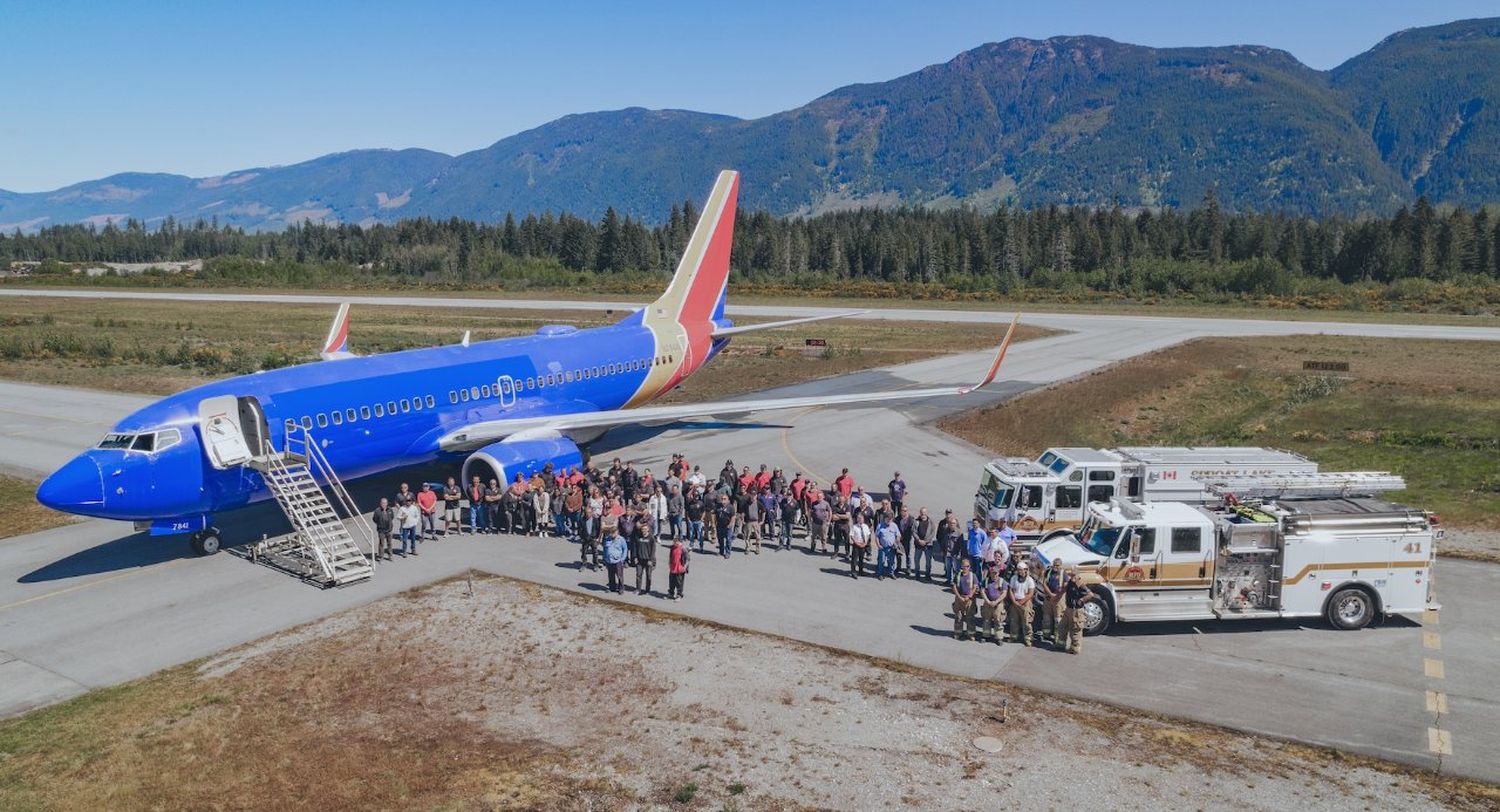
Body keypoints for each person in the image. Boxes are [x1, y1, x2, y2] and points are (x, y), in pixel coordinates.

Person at [1060, 569, 1096, 654]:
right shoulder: (1069, 583)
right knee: (1062, 626)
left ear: (1078, 576)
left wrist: (1081, 600)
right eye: (1071, 575)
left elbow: (1090, 594)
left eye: (1074, 575)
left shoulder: (1080, 585)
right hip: (1068, 609)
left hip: (1076, 611)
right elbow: (1063, 589)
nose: (1072, 577)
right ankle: (1061, 644)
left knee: (1075, 629)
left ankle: (1075, 648)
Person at [979, 562, 1009, 644]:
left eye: (996, 573)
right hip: (988, 603)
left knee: (998, 621)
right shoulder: (986, 581)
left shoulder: (1003, 582)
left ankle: (999, 638)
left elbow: (1004, 593)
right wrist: (988, 601)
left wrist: (996, 601)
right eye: (992, 573)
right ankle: (985, 635)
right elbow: (982, 591)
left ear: (999, 573)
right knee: (986, 620)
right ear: (990, 573)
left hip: (998, 604)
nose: (994, 575)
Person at [1008, 562, 1036, 646]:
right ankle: (1014, 637)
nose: (1020, 572)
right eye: (1019, 570)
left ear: (1026, 570)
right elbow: (1011, 590)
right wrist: (1014, 601)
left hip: (1026, 603)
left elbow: (1031, 593)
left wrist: (1021, 602)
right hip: (1015, 602)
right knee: (1014, 620)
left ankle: (1028, 639)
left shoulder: (1030, 580)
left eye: (1022, 570)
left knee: (1026, 621)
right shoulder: (1014, 578)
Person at [1040, 558, 1067, 642]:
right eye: (1054, 564)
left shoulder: (1063, 573)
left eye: (1057, 565)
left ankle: (1057, 637)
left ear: (1061, 565)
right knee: (1046, 618)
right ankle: (1046, 634)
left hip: (1059, 599)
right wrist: (1051, 594)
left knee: (1058, 619)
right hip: (1048, 598)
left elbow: (1065, 586)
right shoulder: (1048, 572)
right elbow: (1044, 583)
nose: (1055, 567)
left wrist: (1057, 596)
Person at [951, 559, 978, 640]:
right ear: (961, 566)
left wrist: (969, 596)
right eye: (964, 566)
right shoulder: (958, 575)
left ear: (969, 567)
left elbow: (975, 587)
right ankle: (958, 632)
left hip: (969, 599)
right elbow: (954, 587)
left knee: (970, 617)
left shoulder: (973, 576)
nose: (966, 568)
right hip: (959, 598)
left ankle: (971, 634)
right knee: (958, 616)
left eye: (967, 566)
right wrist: (959, 597)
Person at [632, 515, 657, 594]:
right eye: (643, 529)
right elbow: (635, 547)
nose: (644, 531)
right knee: (638, 575)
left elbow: (653, 550)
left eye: (645, 529)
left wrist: (651, 560)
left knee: (648, 575)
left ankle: (647, 589)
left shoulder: (651, 538)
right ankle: (638, 589)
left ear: (648, 530)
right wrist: (635, 557)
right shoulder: (638, 537)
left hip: (648, 560)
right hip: (639, 559)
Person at [913, 507, 937, 581]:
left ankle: (927, 575)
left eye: (924, 513)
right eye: (921, 513)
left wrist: (926, 541)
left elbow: (933, 533)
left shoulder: (931, 522)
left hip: (928, 545)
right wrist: (919, 540)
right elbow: (914, 532)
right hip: (918, 544)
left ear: (926, 513)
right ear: (920, 513)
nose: (923, 514)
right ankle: (917, 574)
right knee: (916, 560)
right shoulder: (916, 521)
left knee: (928, 561)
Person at [937, 511, 960, 584]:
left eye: (953, 523)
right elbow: (943, 540)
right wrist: (942, 549)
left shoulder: (959, 532)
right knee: (948, 567)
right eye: (950, 523)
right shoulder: (946, 530)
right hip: (947, 551)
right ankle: (949, 580)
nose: (952, 524)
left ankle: (956, 581)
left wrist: (959, 553)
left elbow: (961, 544)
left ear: (956, 524)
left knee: (956, 568)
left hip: (955, 552)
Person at [602, 529, 627, 593]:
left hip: (618, 561)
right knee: (611, 575)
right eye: (611, 533)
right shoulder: (607, 539)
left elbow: (625, 549)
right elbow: (605, 548)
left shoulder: (621, 539)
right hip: (609, 560)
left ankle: (621, 588)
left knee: (619, 575)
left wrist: (622, 559)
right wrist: (604, 557)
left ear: (617, 532)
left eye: (613, 533)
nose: (612, 534)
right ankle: (612, 588)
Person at [874, 513, 899, 579]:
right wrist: (878, 545)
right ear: (884, 519)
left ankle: (891, 573)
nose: (889, 521)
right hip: (882, 547)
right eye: (888, 519)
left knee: (891, 561)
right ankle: (880, 574)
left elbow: (898, 535)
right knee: (881, 561)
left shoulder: (894, 525)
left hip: (891, 548)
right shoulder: (880, 526)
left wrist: (896, 542)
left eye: (890, 520)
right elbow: (876, 536)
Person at [371, 497, 395, 561]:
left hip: (389, 530)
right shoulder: (377, 511)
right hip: (381, 530)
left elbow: (392, 517)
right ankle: (381, 556)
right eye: (383, 503)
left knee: (389, 543)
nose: (384, 504)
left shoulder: (390, 509)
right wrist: (380, 524)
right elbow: (374, 519)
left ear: (387, 503)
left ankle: (390, 556)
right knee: (381, 544)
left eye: (385, 503)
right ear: (380, 503)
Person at [714, 493, 736, 558]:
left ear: (728, 500)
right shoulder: (718, 506)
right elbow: (715, 515)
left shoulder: (730, 507)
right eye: (722, 499)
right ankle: (721, 551)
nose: (723, 500)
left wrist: (730, 524)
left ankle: (727, 553)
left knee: (728, 540)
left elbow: (733, 517)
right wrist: (714, 523)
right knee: (720, 540)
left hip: (727, 526)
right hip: (719, 526)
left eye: (725, 499)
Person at [809, 489, 831, 554]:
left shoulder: (826, 504)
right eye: (818, 497)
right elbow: (810, 511)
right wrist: (810, 519)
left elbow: (830, 511)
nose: (819, 498)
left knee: (823, 536)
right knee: (814, 536)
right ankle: (813, 546)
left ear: (823, 497)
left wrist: (829, 521)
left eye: (820, 497)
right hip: (815, 522)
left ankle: (824, 548)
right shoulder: (814, 503)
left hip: (823, 522)